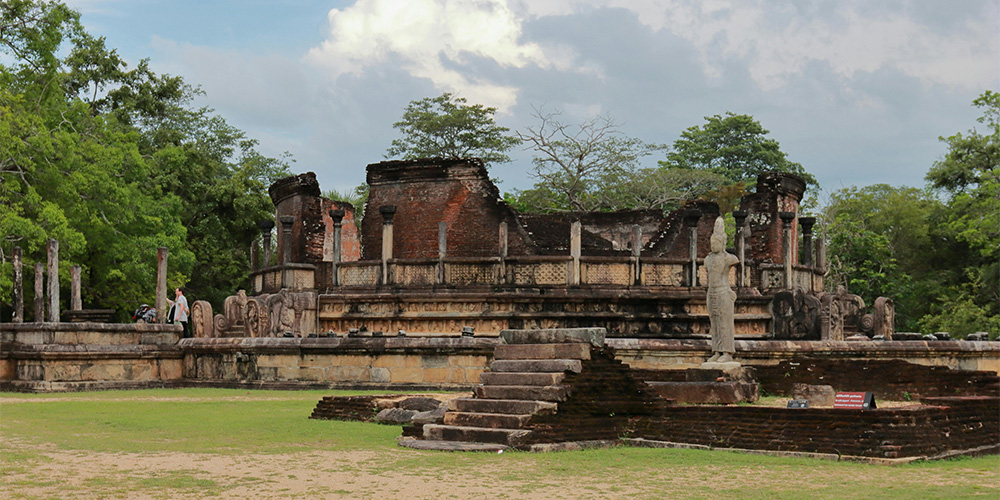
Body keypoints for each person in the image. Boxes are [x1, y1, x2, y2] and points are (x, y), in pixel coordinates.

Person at [704, 217, 740, 364]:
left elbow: (737, 259)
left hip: (724, 292)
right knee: (715, 323)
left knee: (725, 323)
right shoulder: (708, 259)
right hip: (711, 293)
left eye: (716, 243)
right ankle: (717, 350)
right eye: (712, 243)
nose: (713, 245)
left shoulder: (728, 258)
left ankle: (727, 352)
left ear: (723, 243)